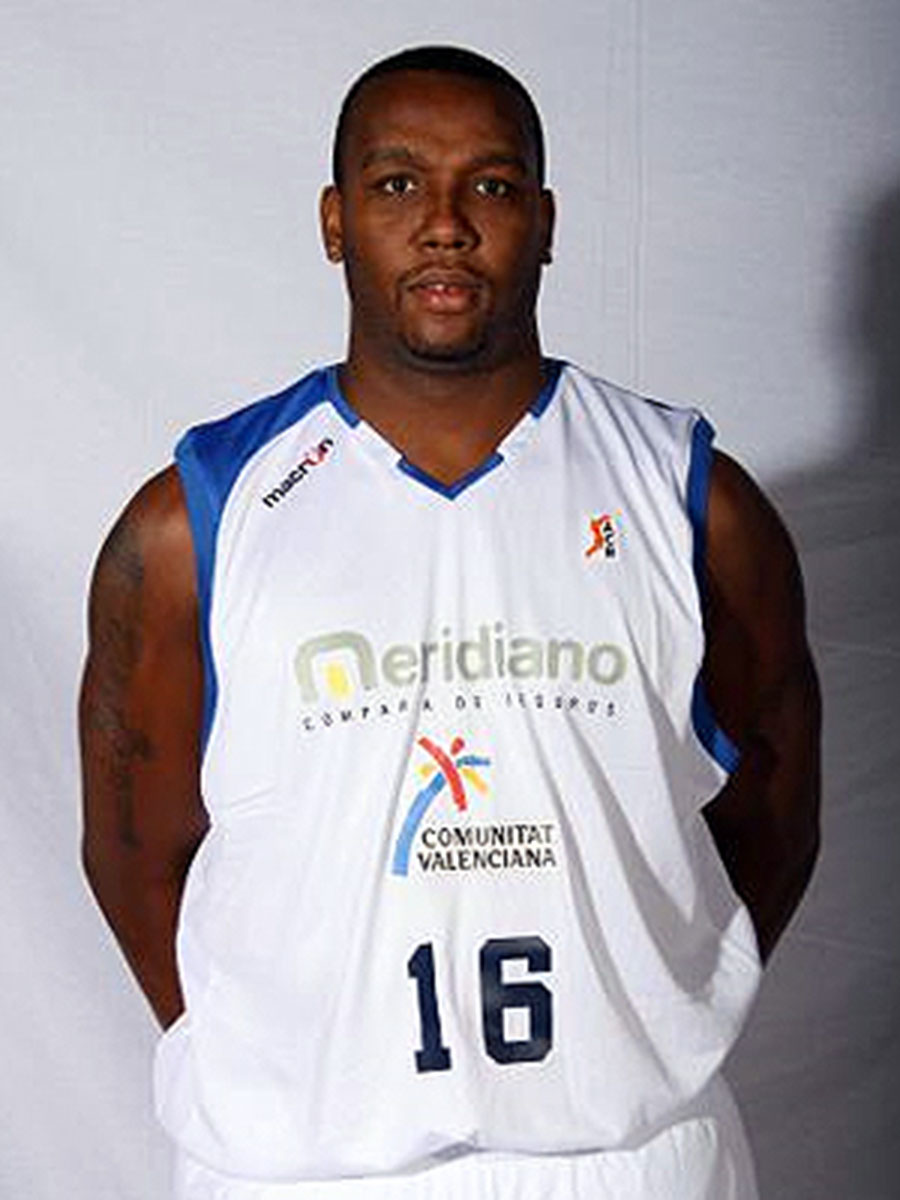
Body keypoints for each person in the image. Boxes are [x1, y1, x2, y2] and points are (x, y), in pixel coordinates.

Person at [80, 45, 821, 1200]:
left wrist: (650, 1007)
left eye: (491, 185)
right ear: (334, 222)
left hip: (627, 1162)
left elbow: (775, 813)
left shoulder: (691, 502)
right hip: (307, 1172)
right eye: (395, 185)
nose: (443, 225)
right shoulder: (194, 521)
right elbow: (134, 854)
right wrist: (281, 1068)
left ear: (545, 221)